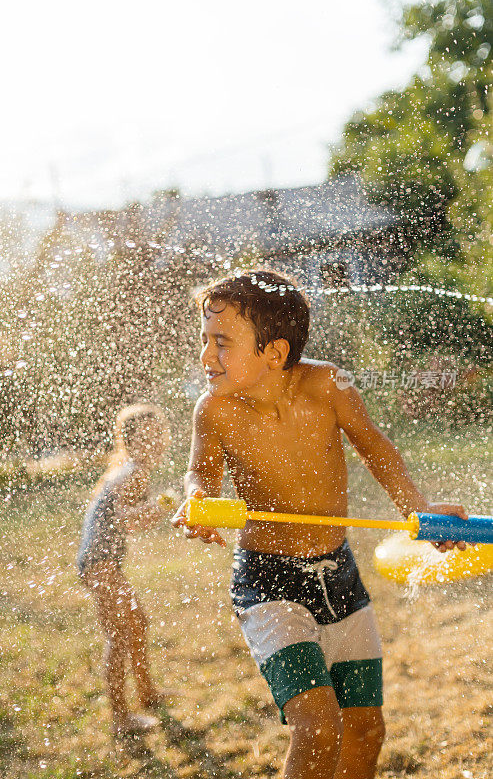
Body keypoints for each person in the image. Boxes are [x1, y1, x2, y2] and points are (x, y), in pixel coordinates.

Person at [172, 269, 467, 779]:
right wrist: (197, 498)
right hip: (267, 580)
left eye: (221, 344)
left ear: (275, 353)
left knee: (366, 729)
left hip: (340, 575)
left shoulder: (326, 383)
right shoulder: (214, 410)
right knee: (319, 727)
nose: (205, 358)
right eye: (205, 342)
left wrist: (419, 510)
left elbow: (375, 446)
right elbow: (200, 472)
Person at [78, 402, 170, 740]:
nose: (156, 443)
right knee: (119, 636)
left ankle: (147, 694)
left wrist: (161, 509)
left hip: (101, 562)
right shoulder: (133, 472)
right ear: (130, 442)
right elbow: (130, 520)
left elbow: (131, 522)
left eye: (159, 435)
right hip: (100, 564)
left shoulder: (131, 469)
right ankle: (121, 719)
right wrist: (166, 505)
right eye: (148, 437)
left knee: (136, 623)